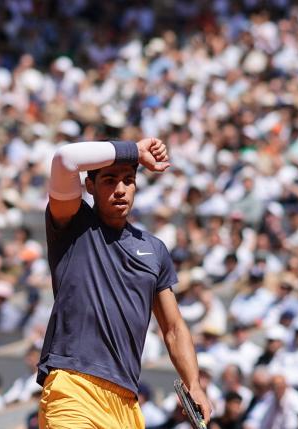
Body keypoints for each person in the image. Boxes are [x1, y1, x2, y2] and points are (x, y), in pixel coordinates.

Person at [38, 138, 211, 428]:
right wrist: (134, 150)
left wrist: (193, 382)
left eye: (128, 180)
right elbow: (65, 158)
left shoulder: (154, 249)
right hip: (72, 387)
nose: (120, 189)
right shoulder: (73, 225)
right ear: (90, 186)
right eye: (109, 180)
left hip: (126, 403)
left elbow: (173, 327)